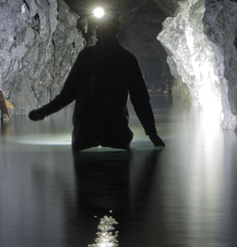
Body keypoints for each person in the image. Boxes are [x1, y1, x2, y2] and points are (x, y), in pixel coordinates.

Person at [28, 12, 165, 151]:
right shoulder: (124, 59)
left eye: (104, 27)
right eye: (100, 27)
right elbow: (140, 98)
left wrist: (152, 132)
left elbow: (69, 94)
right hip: (112, 132)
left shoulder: (90, 57)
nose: (101, 30)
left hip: (89, 132)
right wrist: (152, 133)